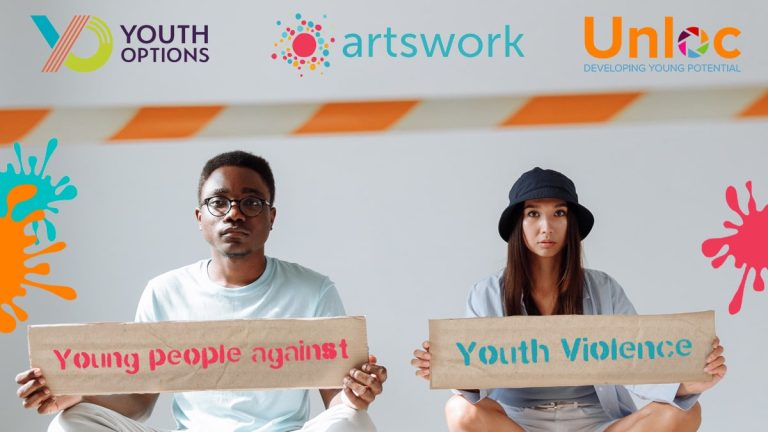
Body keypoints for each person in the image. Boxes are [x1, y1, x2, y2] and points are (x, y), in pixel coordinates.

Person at [16, 150, 386, 432]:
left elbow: (335, 400)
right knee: (71, 421)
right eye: (219, 202)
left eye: (251, 202)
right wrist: (77, 390)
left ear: (271, 217)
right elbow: (142, 400)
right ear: (200, 219)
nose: (234, 214)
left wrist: (355, 396)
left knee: (352, 422)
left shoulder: (314, 290)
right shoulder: (165, 291)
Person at [411, 167, 726, 432]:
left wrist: (687, 386)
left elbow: (637, 364)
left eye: (558, 213)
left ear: (570, 223)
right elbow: (473, 379)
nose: (546, 227)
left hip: (597, 421)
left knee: (686, 412)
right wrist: (444, 367)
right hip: (517, 424)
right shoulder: (488, 292)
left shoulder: (604, 289)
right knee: (458, 410)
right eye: (533, 214)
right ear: (518, 226)